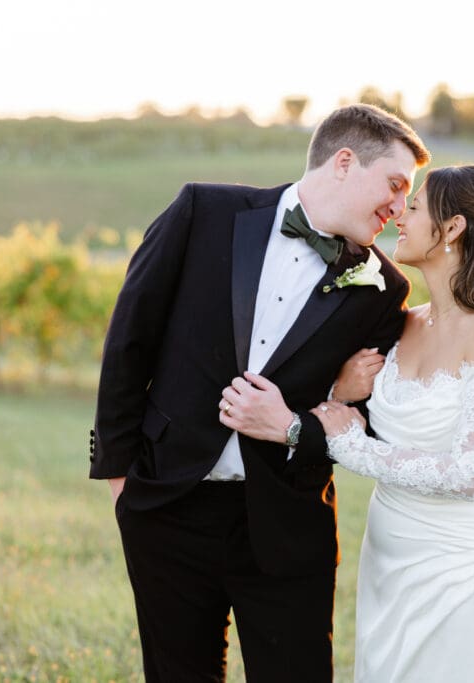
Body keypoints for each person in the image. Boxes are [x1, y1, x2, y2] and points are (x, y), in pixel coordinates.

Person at [88, 104, 431, 682]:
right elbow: (129, 340)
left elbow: (364, 424)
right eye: (395, 186)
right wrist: (122, 480)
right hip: (168, 506)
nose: (400, 209)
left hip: (287, 523)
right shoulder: (204, 212)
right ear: (344, 162)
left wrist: (331, 397)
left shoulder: (383, 288)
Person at [310, 164, 474, 682]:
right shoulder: (406, 321)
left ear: (453, 228)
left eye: (413, 207)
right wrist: (340, 391)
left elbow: (470, 473)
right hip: (389, 557)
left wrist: (349, 446)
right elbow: (358, 414)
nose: (399, 214)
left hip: (461, 570)